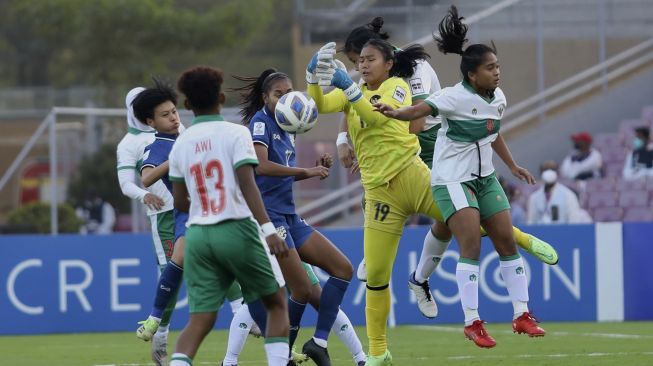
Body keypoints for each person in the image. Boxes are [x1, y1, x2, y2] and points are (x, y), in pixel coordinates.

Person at [333, 16, 559, 323]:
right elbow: (357, 97)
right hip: (405, 141)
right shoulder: (373, 71)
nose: (360, 67)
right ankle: (413, 276)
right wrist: (344, 138)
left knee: (452, 219)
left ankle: (515, 242)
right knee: (441, 215)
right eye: (356, 62)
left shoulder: (412, 69)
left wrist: (378, 145)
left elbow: (414, 123)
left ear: (379, 57)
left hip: (434, 143)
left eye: (361, 60)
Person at [373, 5, 546, 350]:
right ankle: (472, 322)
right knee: (471, 244)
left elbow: (492, 131)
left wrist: (512, 166)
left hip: (485, 178)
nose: (497, 73)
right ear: (472, 75)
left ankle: (522, 314)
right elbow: (418, 111)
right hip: (452, 179)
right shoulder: (452, 97)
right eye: (490, 68)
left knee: (506, 242)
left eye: (497, 66)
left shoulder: (498, 98)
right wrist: (395, 112)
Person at [226, 69, 355, 366]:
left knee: (343, 269)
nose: (285, 98)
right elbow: (260, 166)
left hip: (291, 216)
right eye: (278, 94)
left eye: (288, 92)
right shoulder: (260, 123)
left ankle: (318, 342)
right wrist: (305, 171)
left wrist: (314, 166)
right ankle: (280, 355)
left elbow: (281, 176)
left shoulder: (288, 128)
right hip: (270, 219)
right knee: (300, 289)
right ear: (265, 98)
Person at [167, 66, 290, 366]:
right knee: (276, 305)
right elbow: (248, 185)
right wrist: (268, 229)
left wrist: (202, 204)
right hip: (236, 228)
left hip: (196, 235)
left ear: (186, 105)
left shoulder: (180, 143)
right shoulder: (237, 133)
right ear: (222, 98)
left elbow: (180, 200)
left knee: (199, 321)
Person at [132, 81, 246, 353]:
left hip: (218, 208)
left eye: (173, 112)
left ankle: (263, 331)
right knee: (178, 260)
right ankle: (155, 318)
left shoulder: (190, 135)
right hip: (188, 213)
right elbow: (146, 177)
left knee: (231, 267)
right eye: (165, 115)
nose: (173, 118)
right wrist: (177, 157)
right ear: (151, 122)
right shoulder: (160, 145)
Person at [116, 87, 177, 365]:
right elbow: (127, 183)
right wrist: (145, 194)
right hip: (163, 216)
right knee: (172, 275)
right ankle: (160, 338)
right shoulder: (128, 144)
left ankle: (244, 315)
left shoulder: (174, 126)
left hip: (192, 209)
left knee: (217, 261)